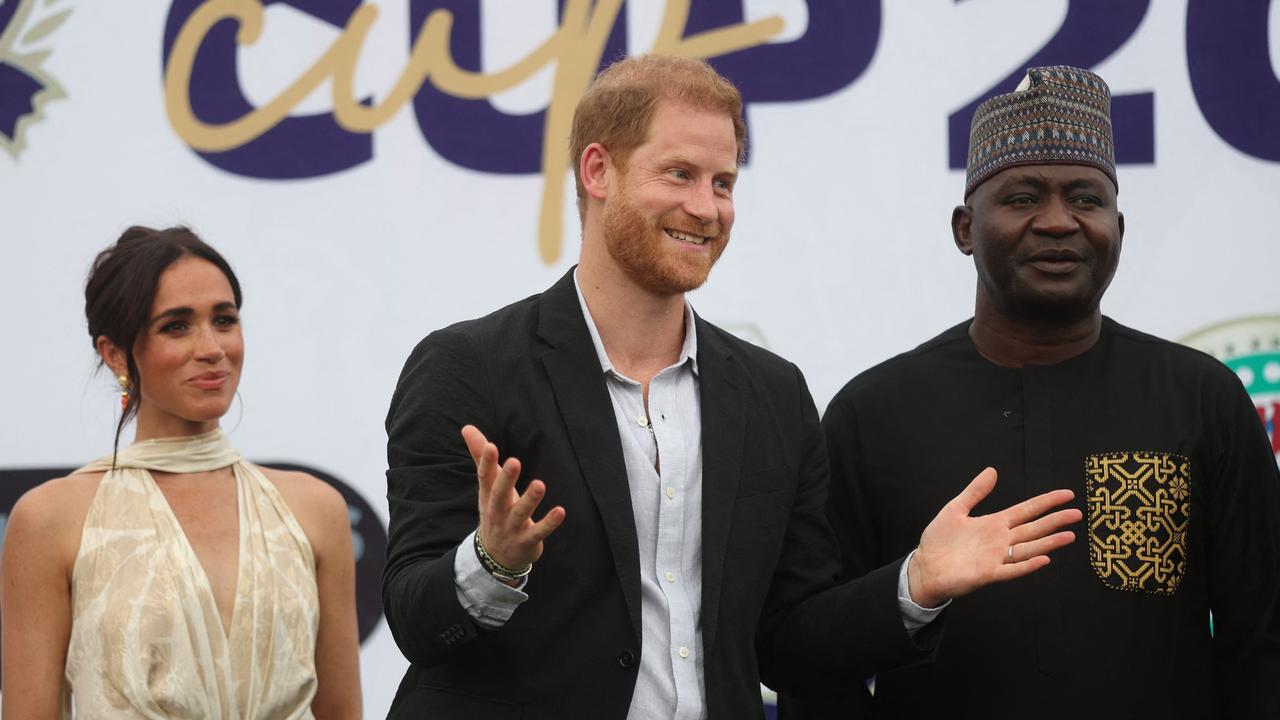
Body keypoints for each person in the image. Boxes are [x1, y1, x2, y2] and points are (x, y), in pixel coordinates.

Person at [382, 55, 1082, 719]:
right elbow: (416, 620)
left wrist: (913, 584)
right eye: (680, 174)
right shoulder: (467, 367)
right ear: (599, 170)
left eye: (723, 183)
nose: (707, 208)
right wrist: (491, 563)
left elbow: (790, 642)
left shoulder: (770, 393)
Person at [782, 66, 1280, 719]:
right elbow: (801, 650)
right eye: (1022, 198)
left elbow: (1263, 639)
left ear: (1119, 230)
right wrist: (912, 588)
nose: (1057, 222)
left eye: (1085, 199)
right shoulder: (873, 414)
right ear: (964, 229)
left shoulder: (1200, 398)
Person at [0, 226, 363, 719]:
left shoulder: (314, 508)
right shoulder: (50, 519)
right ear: (114, 354)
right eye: (176, 325)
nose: (212, 347)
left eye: (225, 319)